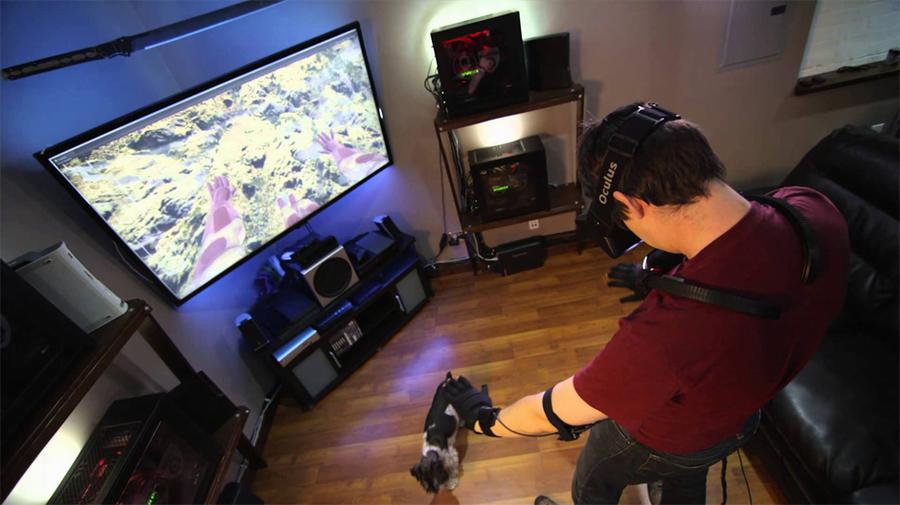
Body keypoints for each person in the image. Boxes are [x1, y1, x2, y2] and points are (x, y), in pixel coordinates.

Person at [443, 102, 849, 504]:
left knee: (594, 474)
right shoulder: (813, 211)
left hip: (665, 437)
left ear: (634, 204)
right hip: (738, 420)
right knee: (687, 476)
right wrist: (667, 276)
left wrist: (484, 419)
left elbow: (552, 411)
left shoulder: (667, 334)